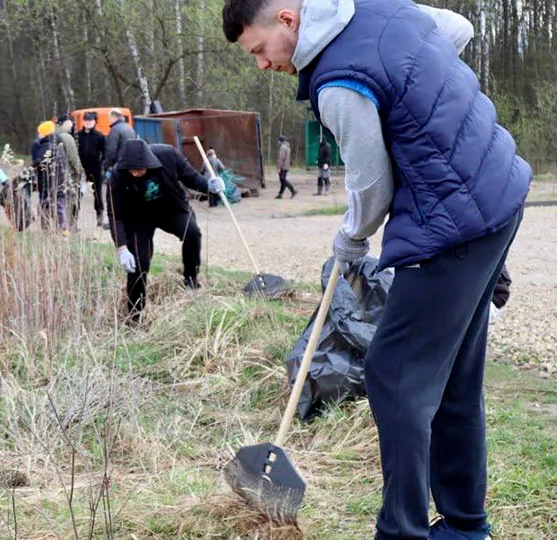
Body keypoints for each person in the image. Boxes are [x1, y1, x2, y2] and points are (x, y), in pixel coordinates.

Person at [222, 1, 530, 539]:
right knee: (454, 376)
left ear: (287, 20)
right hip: (497, 192)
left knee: (394, 374)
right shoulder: (379, 9)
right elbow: (459, 28)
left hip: (452, 222)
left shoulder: (338, 82)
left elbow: (370, 190)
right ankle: (464, 526)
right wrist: (414, 89)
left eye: (259, 50)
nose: (262, 66)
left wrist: (349, 241)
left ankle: (402, 531)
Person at [110, 139, 225, 323]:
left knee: (192, 232)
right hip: (140, 219)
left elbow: (191, 177)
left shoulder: (168, 155)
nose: (135, 173)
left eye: (139, 169)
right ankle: (135, 315)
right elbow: (115, 214)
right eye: (131, 170)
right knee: (139, 263)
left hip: (172, 209)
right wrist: (122, 248)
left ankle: (190, 278)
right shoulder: (118, 175)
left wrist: (209, 185)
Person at [31, 121, 71, 233]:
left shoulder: (45, 147)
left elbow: (38, 164)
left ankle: (46, 230)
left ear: (44, 134)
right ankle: (63, 231)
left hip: (48, 183)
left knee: (46, 207)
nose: (38, 135)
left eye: (40, 133)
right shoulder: (57, 145)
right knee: (60, 208)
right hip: (60, 182)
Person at [104, 109, 138, 241]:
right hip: (130, 168)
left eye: (109, 118)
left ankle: (118, 223)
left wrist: (107, 166)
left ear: (114, 117)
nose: (108, 120)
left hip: (118, 169)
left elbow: (111, 151)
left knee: (114, 198)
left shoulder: (115, 131)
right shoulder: (130, 129)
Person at [78, 111, 109, 228]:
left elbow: (105, 153)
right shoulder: (78, 135)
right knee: (77, 194)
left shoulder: (100, 136)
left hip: (95, 169)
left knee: (97, 194)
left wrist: (102, 165)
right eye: (86, 120)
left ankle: (100, 217)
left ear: (95, 122)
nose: (88, 122)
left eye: (90, 120)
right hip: (81, 169)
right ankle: (73, 219)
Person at [55, 114, 84, 230]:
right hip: (69, 175)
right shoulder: (67, 137)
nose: (72, 125)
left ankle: (57, 226)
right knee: (72, 201)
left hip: (55, 175)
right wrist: (80, 171)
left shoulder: (52, 135)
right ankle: (70, 226)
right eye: (71, 122)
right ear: (66, 122)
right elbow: (73, 158)